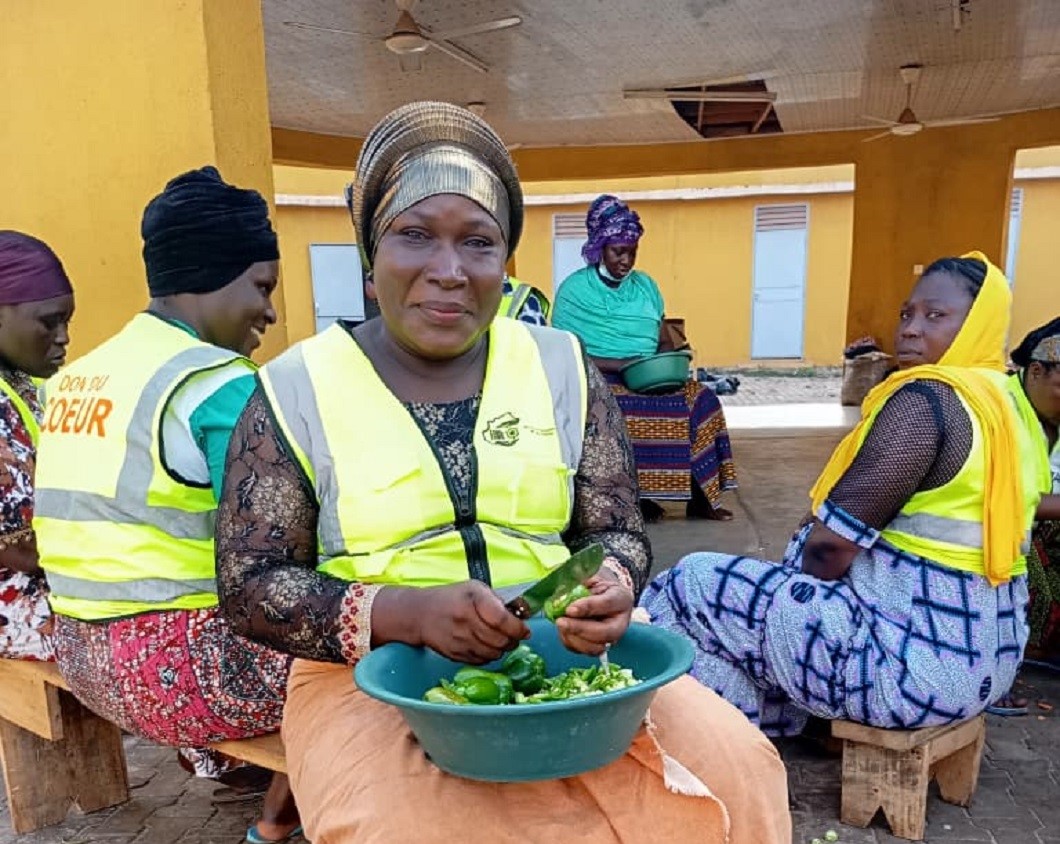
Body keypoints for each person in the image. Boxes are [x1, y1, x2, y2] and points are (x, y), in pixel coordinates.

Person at [215, 101, 789, 844]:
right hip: (371, 675)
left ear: (505, 259)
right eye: (414, 235)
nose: (448, 271)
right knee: (409, 828)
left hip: (570, 654)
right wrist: (407, 614)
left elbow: (614, 530)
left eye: (477, 243)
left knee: (740, 766)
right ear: (370, 252)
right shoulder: (293, 389)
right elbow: (252, 582)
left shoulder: (561, 367)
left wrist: (613, 586)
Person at [640, 253, 1051, 735]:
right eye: (906, 314)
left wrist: (793, 593)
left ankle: (721, 738)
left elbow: (829, 547)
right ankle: (769, 718)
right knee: (754, 607)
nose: (911, 329)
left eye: (935, 316)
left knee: (688, 584)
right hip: (986, 664)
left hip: (911, 674)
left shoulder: (928, 401)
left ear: (979, 324)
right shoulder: (1010, 405)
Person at [33, 167, 301, 843]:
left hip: (82, 657)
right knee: (365, 640)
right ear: (214, 275)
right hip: (175, 673)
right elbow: (296, 544)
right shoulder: (215, 382)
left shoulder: (79, 376)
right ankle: (276, 825)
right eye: (262, 286)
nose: (269, 312)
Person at [551, 195, 736, 522]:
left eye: (632, 251)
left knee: (701, 400)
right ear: (599, 247)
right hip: (599, 374)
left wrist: (667, 363)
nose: (626, 260)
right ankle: (638, 499)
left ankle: (701, 498)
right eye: (618, 251)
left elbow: (665, 339)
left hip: (648, 374)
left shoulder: (646, 286)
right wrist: (621, 366)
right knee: (612, 408)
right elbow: (568, 350)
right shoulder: (574, 290)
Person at [0, 232, 74, 661]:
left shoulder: (21, 384)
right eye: (49, 322)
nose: (63, 337)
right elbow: (22, 547)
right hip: (17, 601)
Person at [1012, 318, 1060, 670]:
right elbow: (1000, 502)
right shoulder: (999, 411)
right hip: (977, 533)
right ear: (1037, 371)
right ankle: (1023, 646)